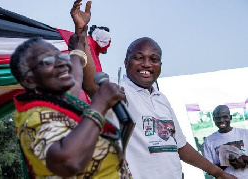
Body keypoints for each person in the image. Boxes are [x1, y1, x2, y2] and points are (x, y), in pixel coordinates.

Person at [82, 36, 237, 178]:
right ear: (125, 62)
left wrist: (218, 173)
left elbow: (180, 146)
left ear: (160, 65)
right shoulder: (117, 87)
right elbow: (91, 85)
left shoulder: (161, 99)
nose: (147, 64)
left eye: (154, 59)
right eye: (139, 58)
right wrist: (82, 35)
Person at [9, 0, 131, 178]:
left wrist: (81, 31)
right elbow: (66, 162)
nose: (60, 63)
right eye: (47, 61)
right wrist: (100, 104)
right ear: (28, 80)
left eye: (60, 56)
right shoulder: (34, 115)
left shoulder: (59, 102)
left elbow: (76, 73)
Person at [204, 105, 248, 178]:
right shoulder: (209, 140)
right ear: (214, 119)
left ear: (230, 117)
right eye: (218, 118)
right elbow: (209, 169)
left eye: (225, 117)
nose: (221, 120)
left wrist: (244, 163)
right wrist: (226, 162)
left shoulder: (245, 133)